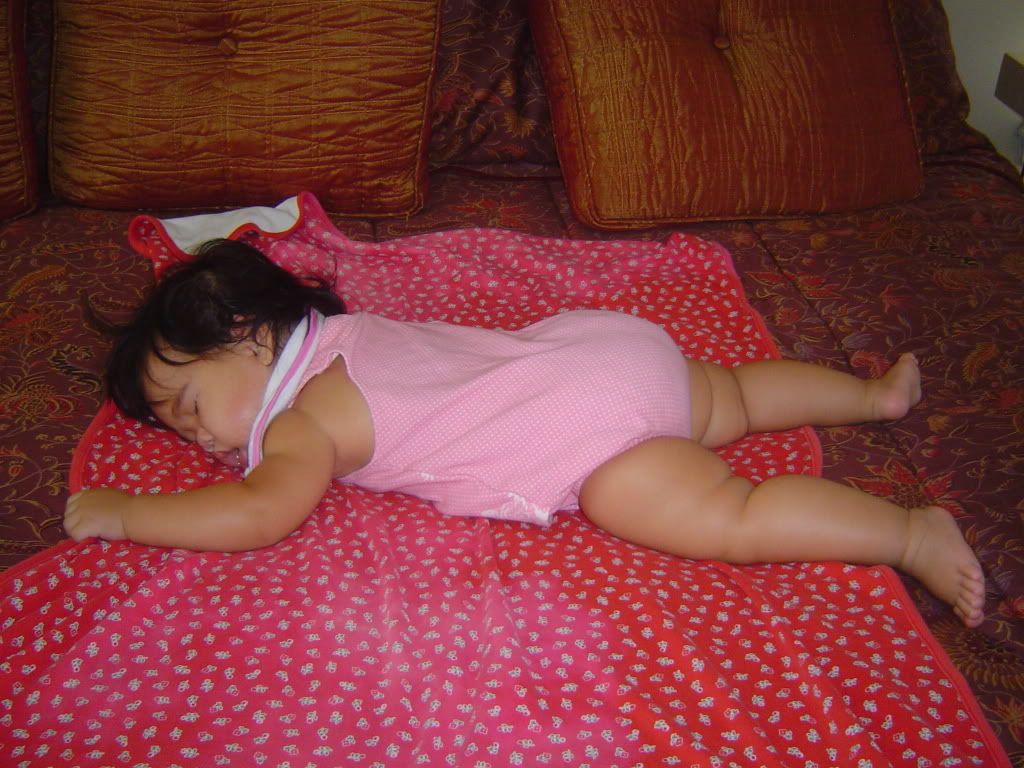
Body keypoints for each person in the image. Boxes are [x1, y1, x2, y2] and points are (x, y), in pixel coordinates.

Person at [64, 239, 986, 627]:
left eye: (189, 407)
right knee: (736, 395)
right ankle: (872, 398)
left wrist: (127, 514)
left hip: (596, 438)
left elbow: (259, 515)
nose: (196, 441)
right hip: (606, 347)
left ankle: (907, 534)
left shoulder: (305, 421)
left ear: (246, 336)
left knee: (731, 515)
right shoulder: (351, 333)